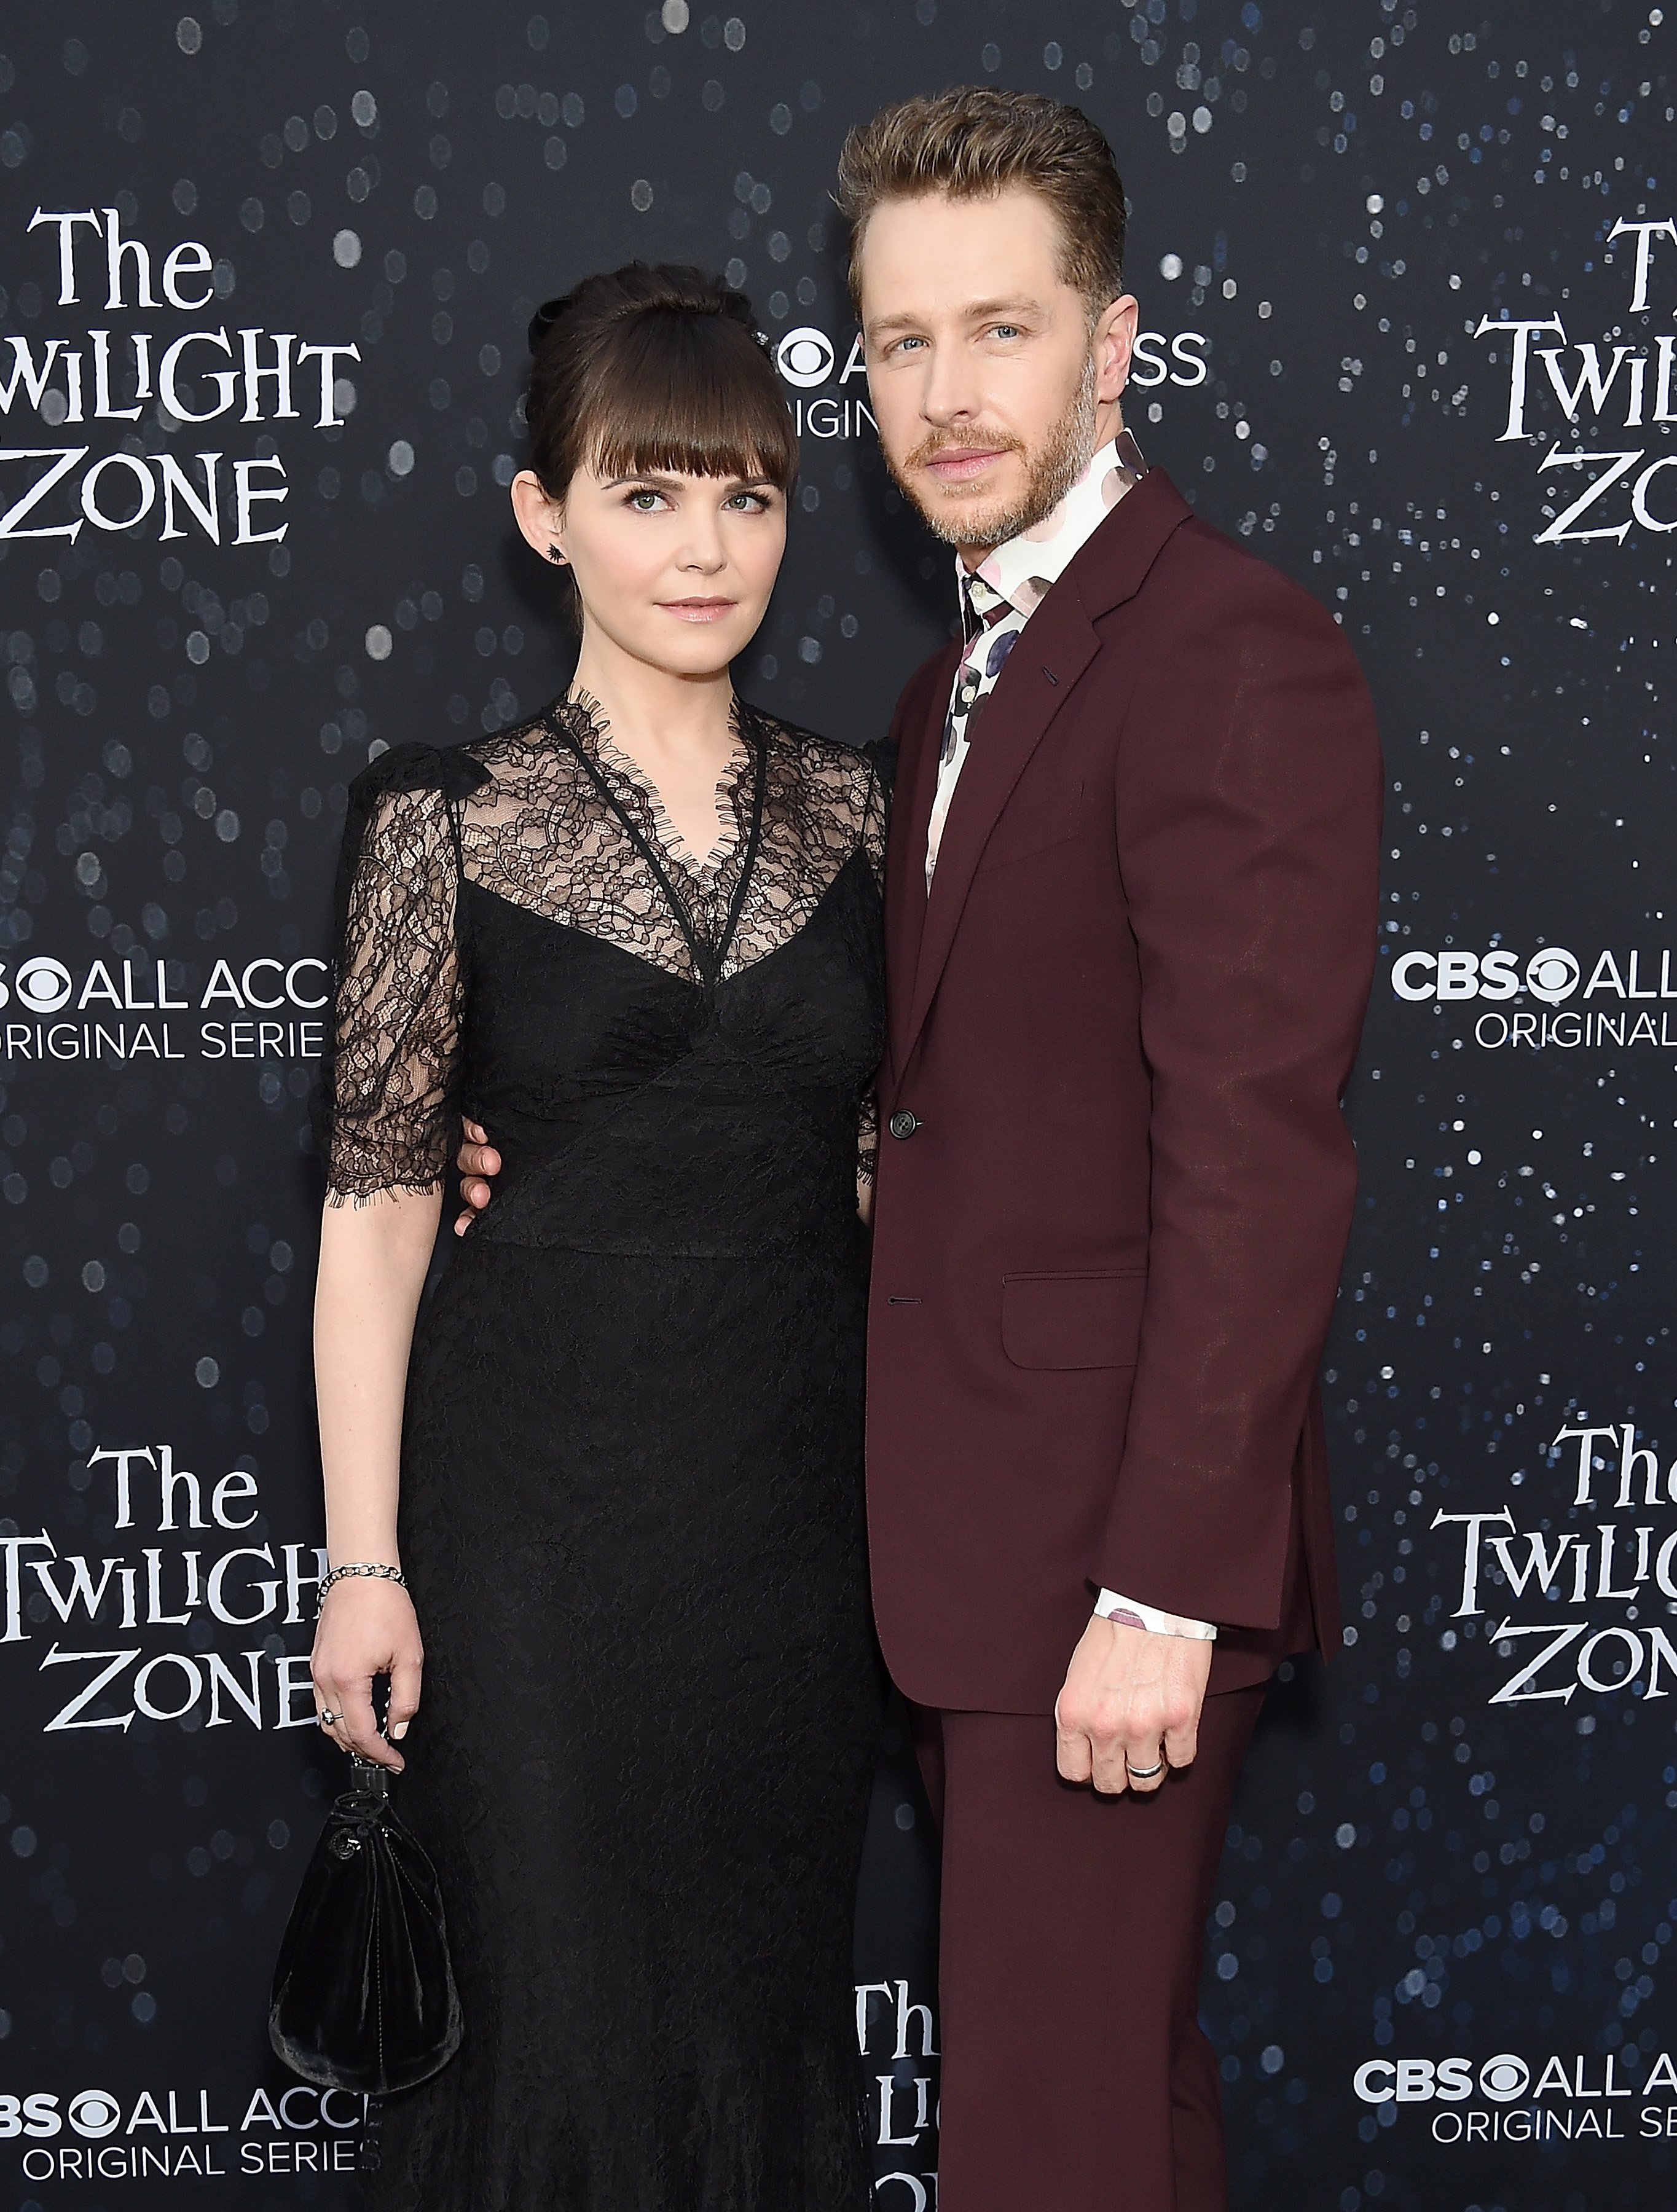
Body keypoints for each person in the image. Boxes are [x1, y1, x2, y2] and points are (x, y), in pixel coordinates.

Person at [460, 89, 1382, 2212]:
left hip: (1103, 1569)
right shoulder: (949, 680)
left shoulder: (1226, 652)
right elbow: (944, 1095)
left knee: (1039, 2151)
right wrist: (558, 1157)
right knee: (1099, 2115)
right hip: (966, 1557)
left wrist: (1160, 1585)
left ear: (1113, 344)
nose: (946, 400)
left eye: (1000, 333)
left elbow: (1256, 1148)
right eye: (896, 345)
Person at [307, 262, 886, 2212]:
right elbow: (381, 1213)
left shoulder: (877, 814)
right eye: (646, 493)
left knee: (759, 2017)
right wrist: (365, 1564)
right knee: (552, 2022)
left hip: (794, 1533)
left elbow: (915, 1168)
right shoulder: (439, 819)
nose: (705, 545)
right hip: (529, 1530)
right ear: (541, 511)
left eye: (745, 491)